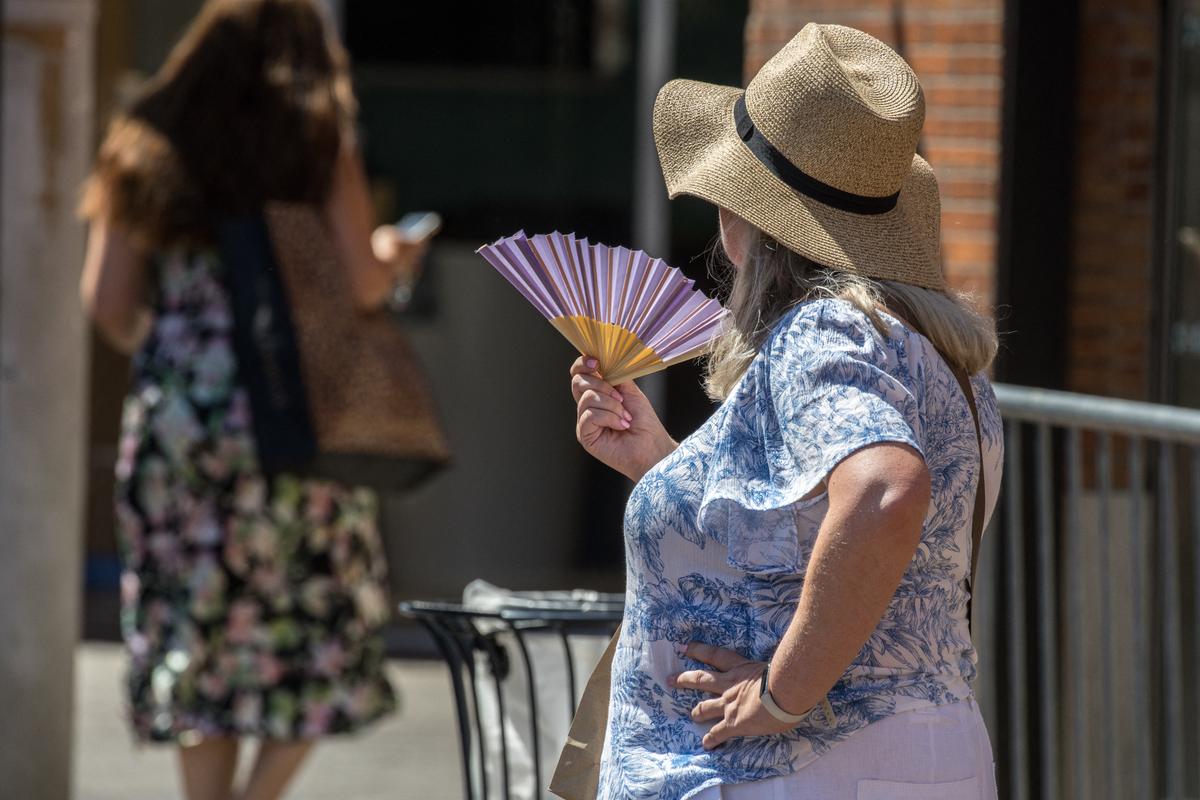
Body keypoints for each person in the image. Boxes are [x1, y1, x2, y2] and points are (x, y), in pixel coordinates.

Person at [568, 24, 1003, 800]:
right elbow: (801, 531)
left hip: (800, 769)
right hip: (923, 747)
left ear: (753, 226)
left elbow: (884, 490)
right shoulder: (932, 349)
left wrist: (782, 694)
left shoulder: (823, 328)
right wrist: (661, 462)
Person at [78, 2, 427, 798]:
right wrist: (392, 256)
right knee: (314, 615)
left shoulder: (145, 136)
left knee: (195, 626)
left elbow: (106, 302)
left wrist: (182, 354)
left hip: (178, 419)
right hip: (293, 415)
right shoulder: (313, 136)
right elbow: (361, 282)